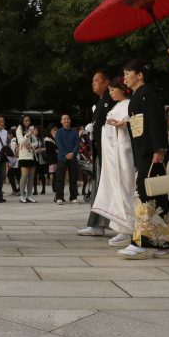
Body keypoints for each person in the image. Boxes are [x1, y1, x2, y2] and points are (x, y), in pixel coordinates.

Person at [118, 59, 169, 260]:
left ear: (140, 74)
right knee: (158, 195)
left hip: (150, 152)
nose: (125, 77)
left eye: (128, 73)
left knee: (144, 193)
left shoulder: (148, 93)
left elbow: (156, 121)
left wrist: (159, 148)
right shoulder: (138, 95)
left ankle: (140, 243)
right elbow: (139, 124)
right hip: (142, 150)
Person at [91, 77, 136, 247]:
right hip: (112, 153)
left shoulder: (130, 104)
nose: (110, 93)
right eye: (109, 90)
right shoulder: (117, 105)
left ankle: (130, 227)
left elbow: (136, 122)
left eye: (112, 90)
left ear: (123, 89)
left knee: (125, 188)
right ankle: (121, 228)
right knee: (117, 189)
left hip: (124, 152)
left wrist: (123, 124)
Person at [78, 71, 115, 234]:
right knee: (98, 187)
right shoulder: (101, 101)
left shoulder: (110, 100)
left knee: (103, 188)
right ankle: (97, 224)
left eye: (96, 80)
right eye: (92, 81)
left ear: (107, 82)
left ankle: (103, 224)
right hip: (100, 151)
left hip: (109, 151)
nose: (93, 83)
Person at [54, 114, 80, 205]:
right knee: (60, 178)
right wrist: (66, 154)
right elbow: (59, 144)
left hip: (73, 158)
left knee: (73, 178)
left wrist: (73, 153)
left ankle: (73, 197)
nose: (66, 121)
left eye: (68, 119)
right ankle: (59, 197)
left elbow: (77, 144)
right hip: (62, 158)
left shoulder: (75, 132)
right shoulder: (58, 132)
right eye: (64, 119)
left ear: (70, 120)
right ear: (61, 121)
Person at [17, 124, 40, 203]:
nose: (27, 122)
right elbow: (21, 142)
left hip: (32, 156)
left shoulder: (30, 129)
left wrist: (32, 145)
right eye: (25, 121)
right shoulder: (19, 129)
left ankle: (29, 195)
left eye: (29, 121)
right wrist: (27, 135)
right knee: (24, 175)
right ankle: (22, 195)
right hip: (24, 156)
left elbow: (36, 141)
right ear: (22, 122)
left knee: (31, 176)